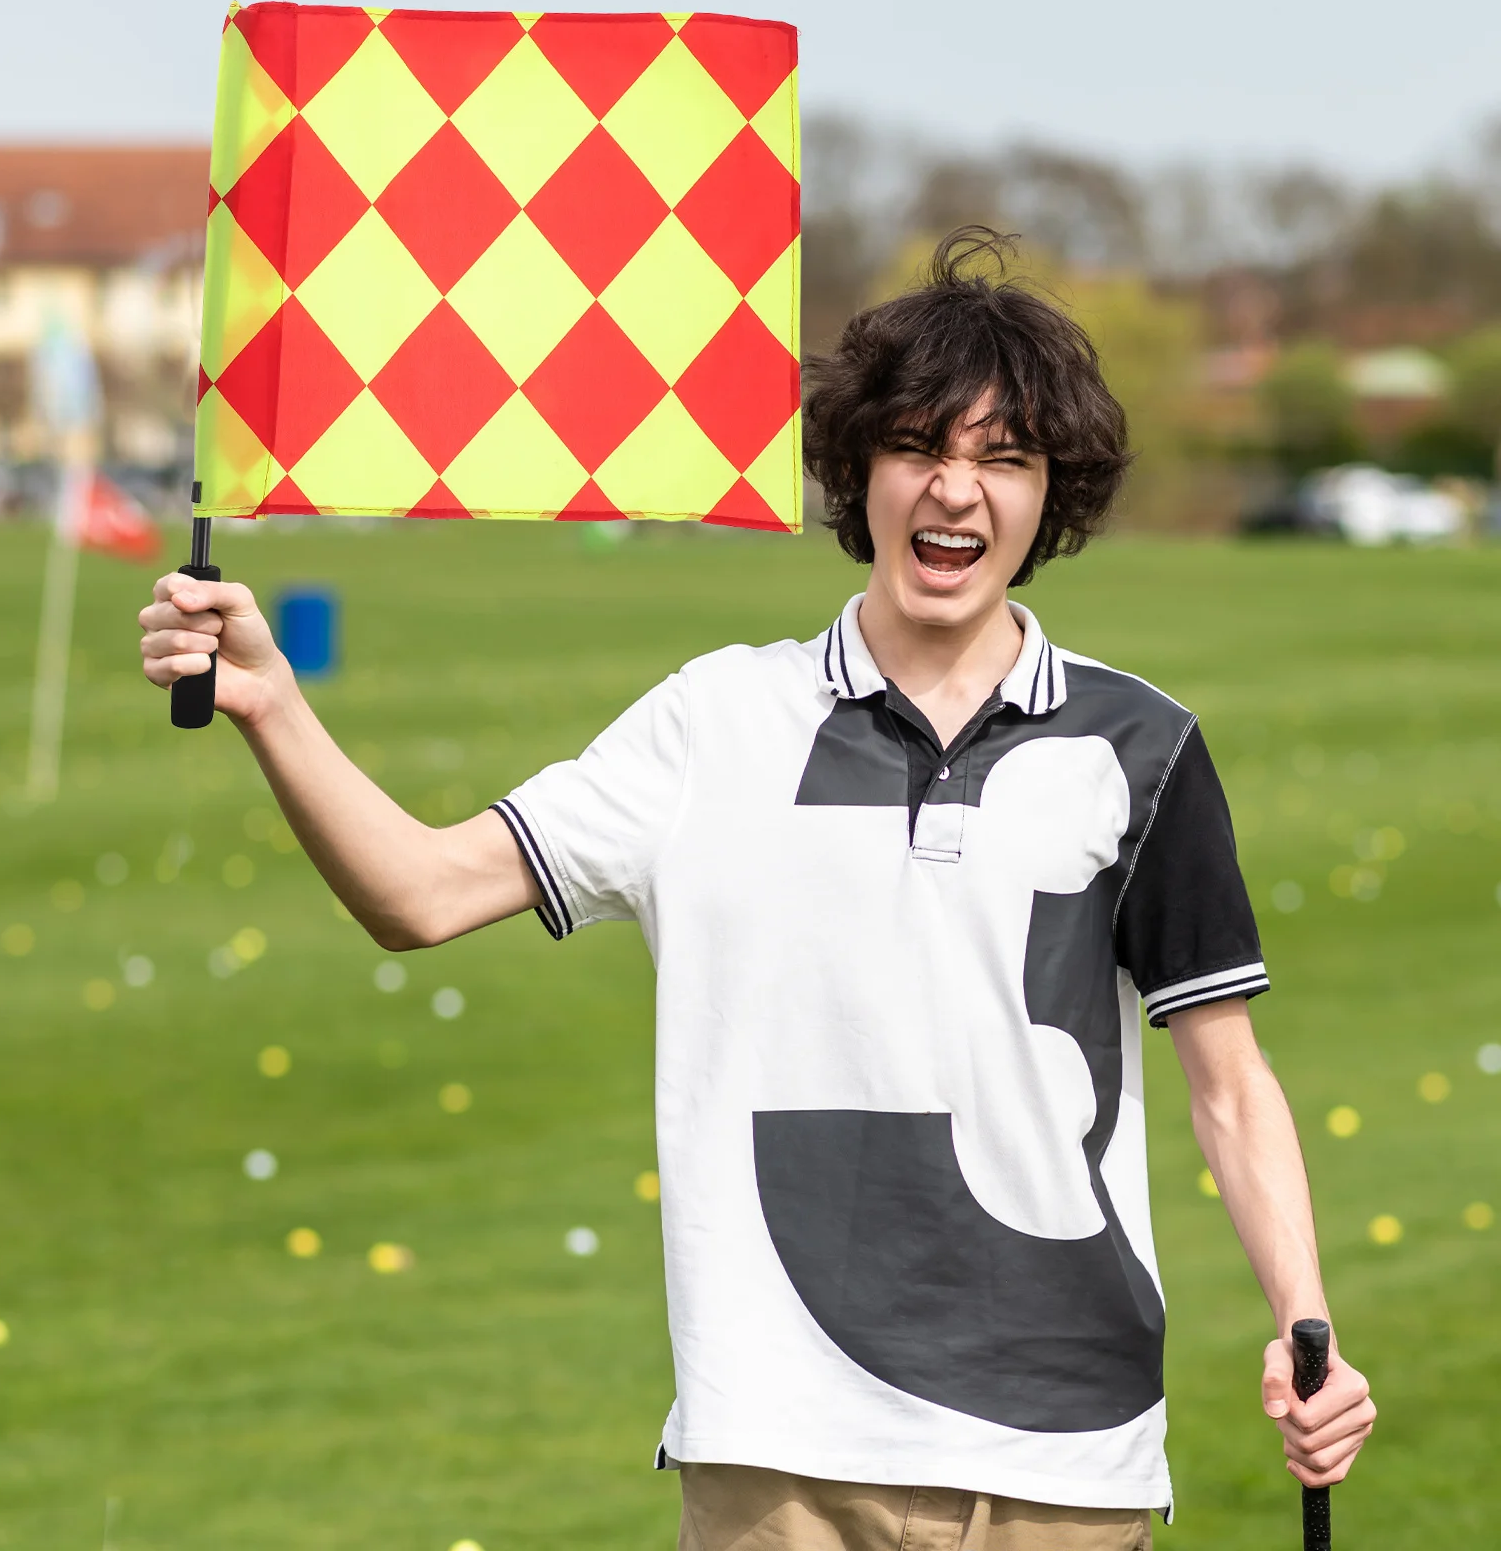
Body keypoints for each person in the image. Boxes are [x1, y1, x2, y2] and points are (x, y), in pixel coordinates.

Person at [139, 229, 1374, 1550]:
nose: (955, 492)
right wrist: (273, 706)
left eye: (1003, 459)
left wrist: (1308, 1326)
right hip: (777, 1461)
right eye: (920, 447)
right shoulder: (713, 722)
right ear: (859, 470)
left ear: (1050, 494)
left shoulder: (1145, 748)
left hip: (1067, 1464)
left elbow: (1230, 1086)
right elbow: (422, 893)